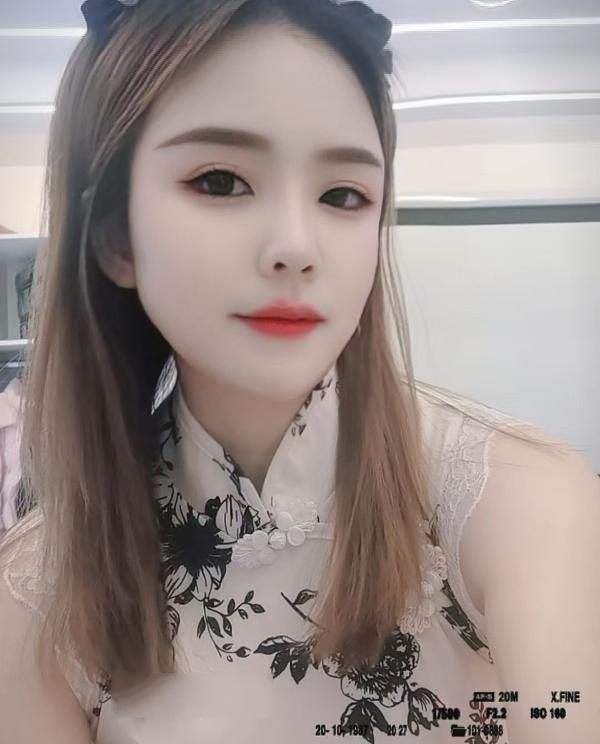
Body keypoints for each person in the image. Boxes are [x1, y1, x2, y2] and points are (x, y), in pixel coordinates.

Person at [0, 1, 598, 742]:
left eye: (343, 195)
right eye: (221, 181)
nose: (296, 246)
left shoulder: (509, 495)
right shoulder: (40, 588)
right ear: (116, 238)